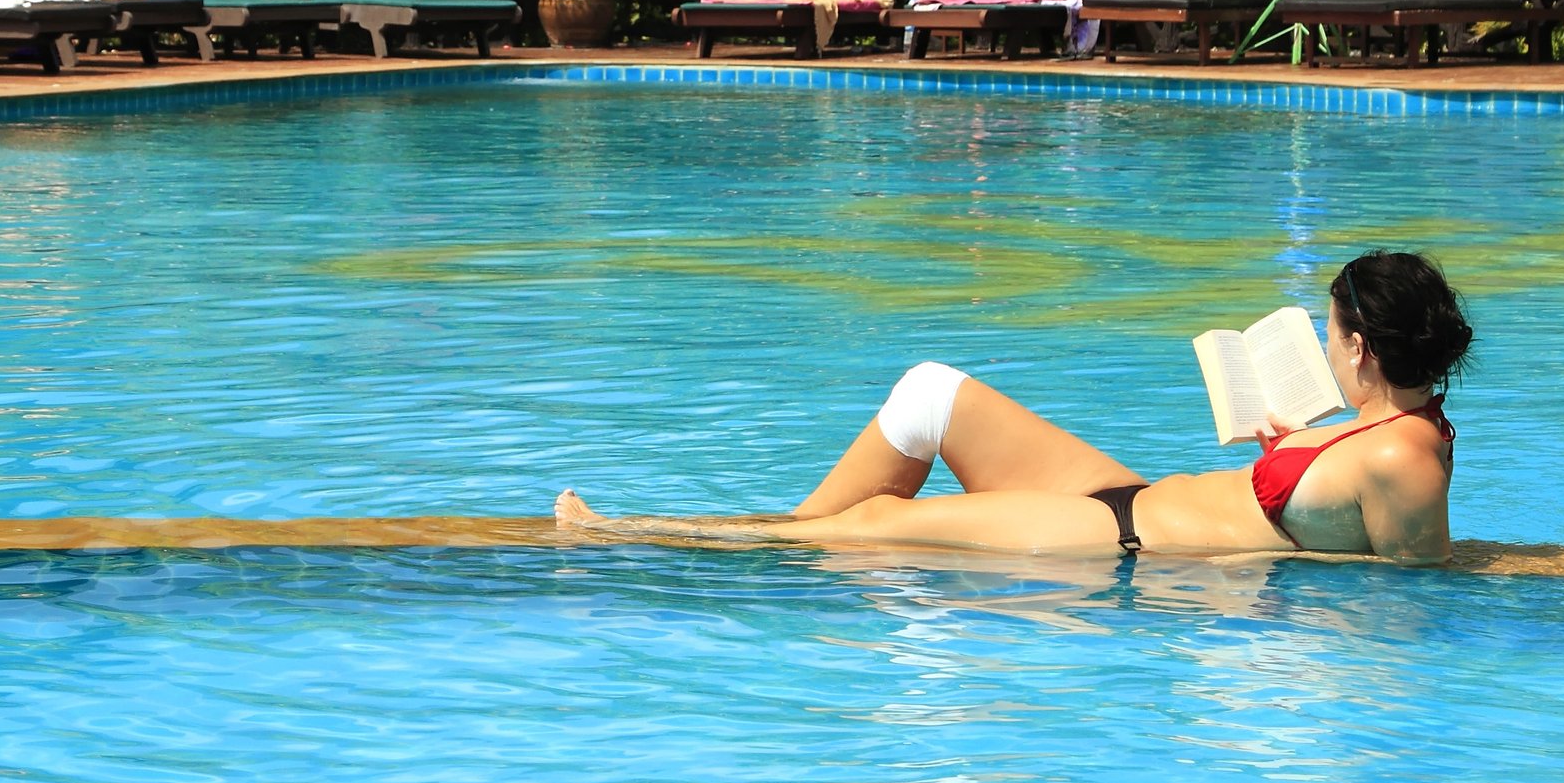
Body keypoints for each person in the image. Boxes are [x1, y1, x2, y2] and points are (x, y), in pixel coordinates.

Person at [556, 251, 1471, 567]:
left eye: (1328, 335)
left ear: (1360, 347)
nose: (1321, 349)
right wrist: (1297, 442)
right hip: (1128, 494)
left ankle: (638, 534)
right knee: (930, 392)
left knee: (876, 524)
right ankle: (788, 544)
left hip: (1122, 549)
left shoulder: (1404, 457)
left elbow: (1404, 594)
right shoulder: (1387, 428)